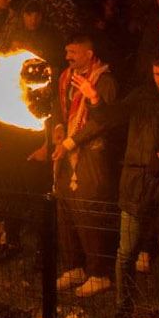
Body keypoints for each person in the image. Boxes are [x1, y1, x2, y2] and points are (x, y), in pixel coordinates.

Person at [62, 57, 159, 318]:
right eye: (157, 73)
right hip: (135, 184)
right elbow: (110, 117)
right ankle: (124, 308)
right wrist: (94, 98)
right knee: (126, 252)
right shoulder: (142, 97)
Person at [44, 34, 119, 297]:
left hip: (91, 156)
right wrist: (57, 129)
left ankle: (99, 273)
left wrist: (71, 141)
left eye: (73, 52)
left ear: (89, 54)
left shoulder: (104, 81)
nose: (68, 57)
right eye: (67, 52)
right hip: (67, 150)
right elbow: (59, 105)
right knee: (65, 208)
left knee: (88, 211)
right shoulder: (66, 78)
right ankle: (74, 266)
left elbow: (102, 121)